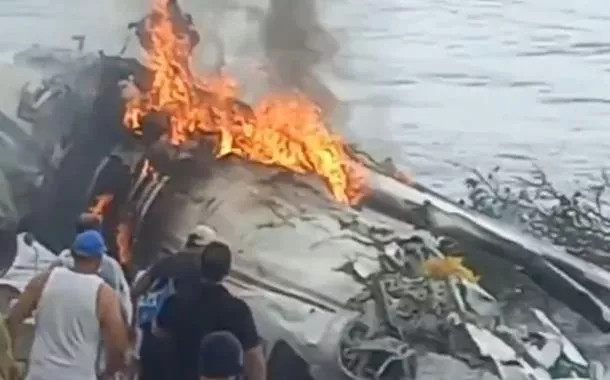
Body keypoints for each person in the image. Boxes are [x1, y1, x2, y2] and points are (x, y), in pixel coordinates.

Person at [6, 230, 129, 380]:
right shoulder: (103, 294)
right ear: (99, 260)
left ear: (72, 254)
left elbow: (14, 318)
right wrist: (108, 372)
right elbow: (117, 346)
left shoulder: (44, 281)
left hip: (40, 374)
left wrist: (9, 356)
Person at [153, 241, 266, 380]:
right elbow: (254, 360)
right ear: (226, 272)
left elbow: (158, 332)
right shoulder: (238, 310)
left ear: (200, 266)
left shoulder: (175, 303)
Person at [130, 225, 217, 380]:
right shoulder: (203, 270)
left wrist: (133, 325)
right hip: (183, 346)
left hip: (151, 340)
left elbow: (136, 291)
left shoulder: (165, 262)